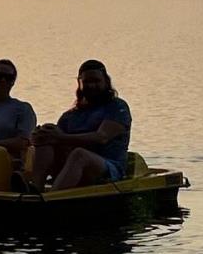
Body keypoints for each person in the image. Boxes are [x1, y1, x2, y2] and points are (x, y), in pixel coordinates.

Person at [27, 59, 132, 190]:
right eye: (87, 82)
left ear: (106, 81)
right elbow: (57, 139)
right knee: (46, 139)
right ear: (80, 83)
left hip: (109, 168)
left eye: (96, 81)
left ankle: (51, 199)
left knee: (79, 154)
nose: (92, 86)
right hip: (71, 166)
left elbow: (102, 137)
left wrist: (61, 137)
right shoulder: (70, 116)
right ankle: (36, 188)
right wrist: (40, 136)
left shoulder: (117, 107)